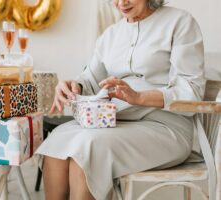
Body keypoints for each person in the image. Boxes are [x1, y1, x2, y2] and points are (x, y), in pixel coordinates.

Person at [35, 0, 205, 199]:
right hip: (116, 122)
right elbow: (91, 79)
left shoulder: (180, 22)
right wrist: (75, 86)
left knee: (87, 150)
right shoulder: (111, 34)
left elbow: (191, 91)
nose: (121, 3)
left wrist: (139, 97)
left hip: (165, 127)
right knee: (57, 141)